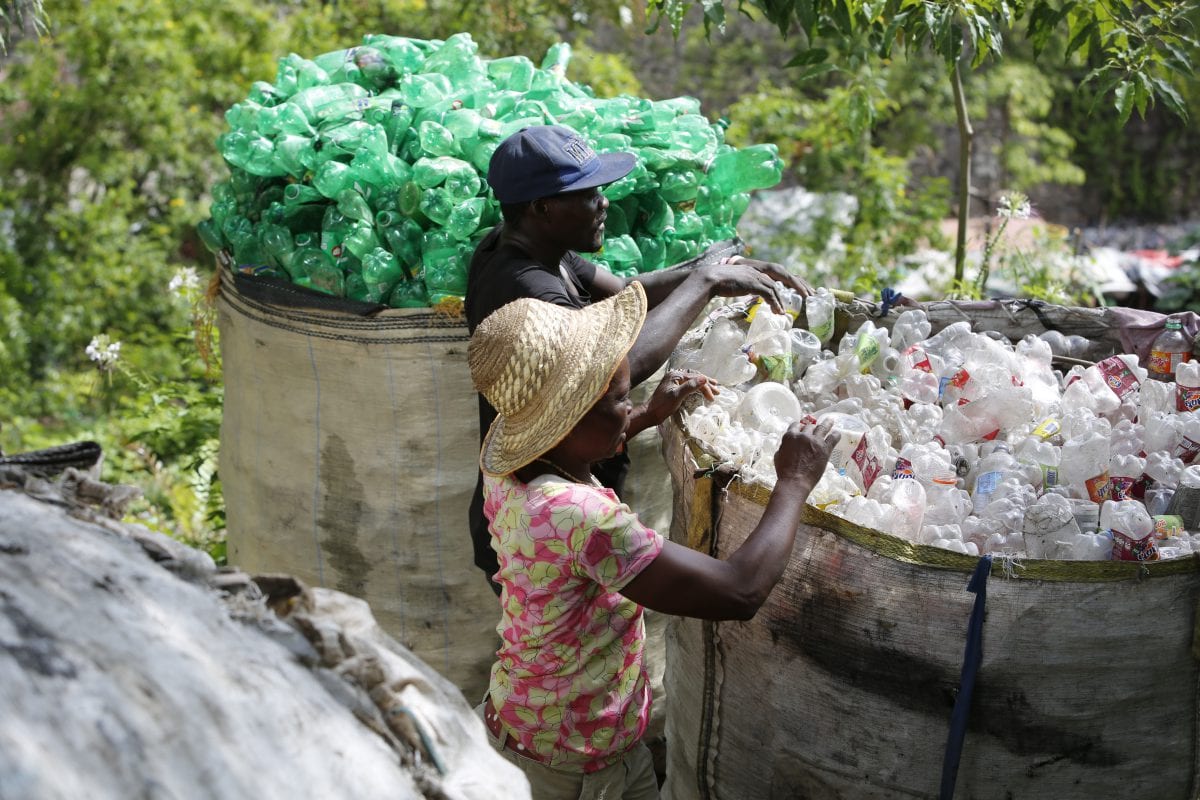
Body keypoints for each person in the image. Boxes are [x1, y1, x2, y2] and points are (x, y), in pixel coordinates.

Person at [467, 283, 837, 799]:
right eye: (620, 400)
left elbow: (577, 449)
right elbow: (738, 591)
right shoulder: (583, 518)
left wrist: (647, 415)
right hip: (566, 772)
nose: (628, 406)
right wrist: (794, 481)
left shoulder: (505, 455)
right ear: (568, 421)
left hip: (556, 731)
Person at [465, 123, 811, 593]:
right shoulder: (527, 286)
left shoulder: (545, 251)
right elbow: (613, 364)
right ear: (542, 208)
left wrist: (714, 269)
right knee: (565, 632)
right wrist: (704, 284)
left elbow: (629, 296)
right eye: (588, 194)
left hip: (550, 485)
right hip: (545, 506)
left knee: (563, 629)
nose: (604, 202)